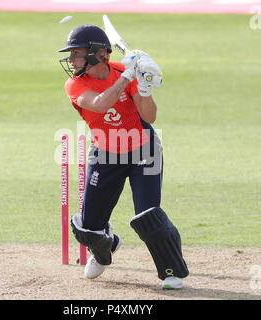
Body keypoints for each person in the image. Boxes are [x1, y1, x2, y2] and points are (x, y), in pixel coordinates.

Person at [58, 24, 189, 289]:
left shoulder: (123, 71)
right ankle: (105, 250)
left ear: (97, 53)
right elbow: (99, 104)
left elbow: (149, 117)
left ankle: (171, 272)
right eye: (71, 55)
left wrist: (144, 86)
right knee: (87, 228)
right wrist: (128, 76)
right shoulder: (75, 83)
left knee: (148, 215)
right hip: (105, 152)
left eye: (77, 53)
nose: (71, 60)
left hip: (143, 150)